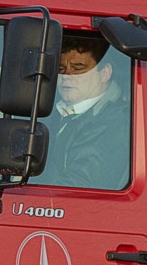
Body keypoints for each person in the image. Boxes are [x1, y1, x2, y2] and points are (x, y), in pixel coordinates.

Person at [40, 32, 130, 189]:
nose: (66, 76)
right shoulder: (47, 113)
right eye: (61, 68)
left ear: (105, 73)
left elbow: (80, 185)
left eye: (78, 68)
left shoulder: (116, 122)